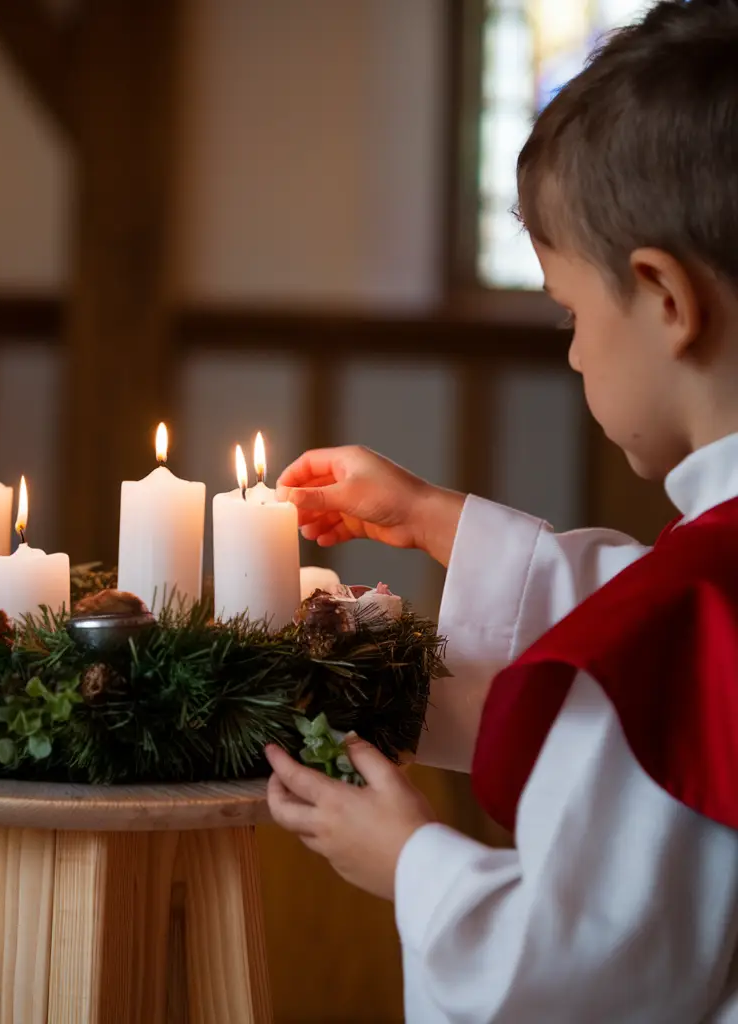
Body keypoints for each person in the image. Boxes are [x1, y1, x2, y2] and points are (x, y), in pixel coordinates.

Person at [264, 2, 738, 1020]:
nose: (572, 353)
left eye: (571, 315)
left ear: (664, 298)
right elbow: (639, 612)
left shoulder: (680, 626)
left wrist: (411, 865)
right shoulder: (696, 590)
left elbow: (592, 973)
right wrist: (437, 518)